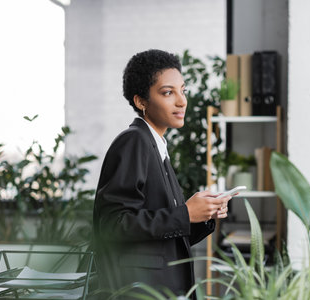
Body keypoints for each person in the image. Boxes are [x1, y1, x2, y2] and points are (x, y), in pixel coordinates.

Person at [92, 49, 231, 298]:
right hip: (141, 289)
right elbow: (112, 225)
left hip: (160, 287)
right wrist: (185, 213)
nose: (181, 101)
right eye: (168, 92)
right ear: (141, 101)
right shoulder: (134, 141)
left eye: (182, 90)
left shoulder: (156, 146)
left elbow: (166, 237)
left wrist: (204, 215)